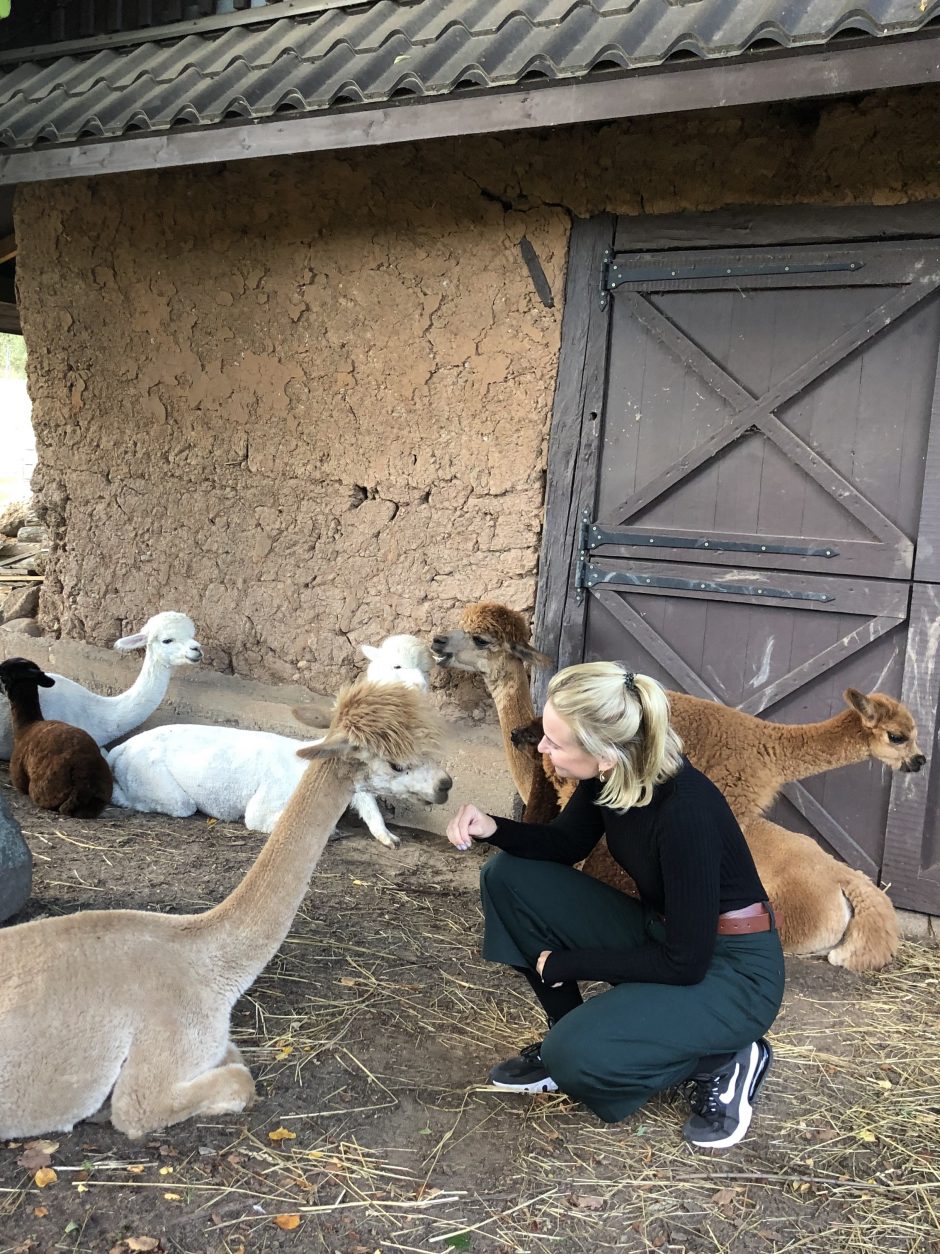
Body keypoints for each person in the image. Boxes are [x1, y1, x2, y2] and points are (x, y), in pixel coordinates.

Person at [446, 661, 785, 1150]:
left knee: (576, 1058)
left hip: (732, 972)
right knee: (508, 877)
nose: (540, 747)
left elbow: (687, 962)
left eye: (555, 742)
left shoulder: (685, 811)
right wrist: (492, 828)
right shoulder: (615, 773)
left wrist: (571, 962)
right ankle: (571, 1031)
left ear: (603, 754)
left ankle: (726, 1058)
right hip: (665, 933)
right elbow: (565, 845)